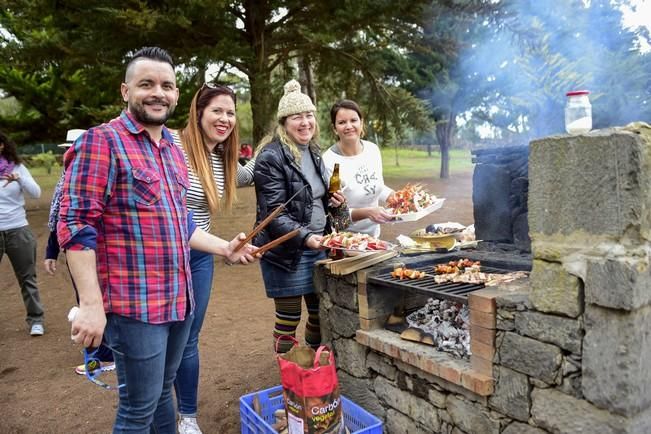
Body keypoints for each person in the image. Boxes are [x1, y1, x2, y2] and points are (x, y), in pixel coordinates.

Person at [57, 47, 257, 434]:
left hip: (179, 297)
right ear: (125, 90)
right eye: (146, 83)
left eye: (166, 85)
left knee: (164, 390)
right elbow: (75, 225)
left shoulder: (171, 150)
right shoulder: (102, 142)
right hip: (135, 305)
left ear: (177, 95)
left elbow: (178, 221)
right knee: (137, 407)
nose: (157, 93)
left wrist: (224, 248)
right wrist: (91, 305)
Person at [171, 83, 255, 434]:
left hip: (199, 258)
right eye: (217, 111)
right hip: (161, 257)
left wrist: (282, 141)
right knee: (161, 339)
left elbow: (249, 174)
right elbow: (171, 211)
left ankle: (187, 417)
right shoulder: (171, 146)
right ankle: (153, 410)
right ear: (199, 111)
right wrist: (225, 246)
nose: (224, 119)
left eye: (230, 113)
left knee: (189, 338)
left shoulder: (222, 158)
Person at [253, 79, 346, 354]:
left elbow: (314, 198)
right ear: (284, 122)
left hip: (318, 246)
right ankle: (289, 373)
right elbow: (274, 212)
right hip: (286, 250)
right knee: (289, 317)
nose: (305, 122)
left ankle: (311, 365)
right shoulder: (271, 156)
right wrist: (307, 238)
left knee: (318, 313)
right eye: (297, 117)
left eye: (309, 115)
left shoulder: (314, 152)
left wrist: (336, 204)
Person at [44, 132, 115, 374]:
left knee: (99, 303)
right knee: (85, 300)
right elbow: (60, 218)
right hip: (75, 250)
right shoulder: (67, 175)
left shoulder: (98, 173)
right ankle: (102, 354)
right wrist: (51, 252)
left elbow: (79, 219)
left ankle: (104, 357)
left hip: (98, 251)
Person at [322, 99, 395, 238]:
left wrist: (396, 197)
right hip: (345, 242)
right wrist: (368, 212)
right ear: (334, 128)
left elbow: (375, 186)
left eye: (353, 120)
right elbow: (337, 217)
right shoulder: (330, 162)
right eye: (342, 122)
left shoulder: (372, 150)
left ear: (361, 123)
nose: (349, 126)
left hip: (374, 238)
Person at [0, 130, 44, 336]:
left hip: (18, 229)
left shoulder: (17, 167)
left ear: (2, 145)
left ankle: (36, 319)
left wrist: (19, 180)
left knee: (27, 278)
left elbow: (36, 193)